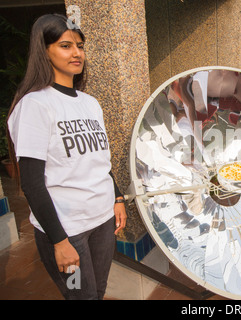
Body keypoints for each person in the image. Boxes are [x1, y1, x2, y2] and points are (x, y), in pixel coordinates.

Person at [6, 14, 127, 299]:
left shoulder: (90, 103)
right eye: (65, 45)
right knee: (79, 296)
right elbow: (32, 183)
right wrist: (59, 241)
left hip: (102, 221)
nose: (76, 53)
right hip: (67, 231)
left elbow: (98, 161)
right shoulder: (35, 105)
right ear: (44, 50)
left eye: (80, 46)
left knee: (97, 290)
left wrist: (117, 197)